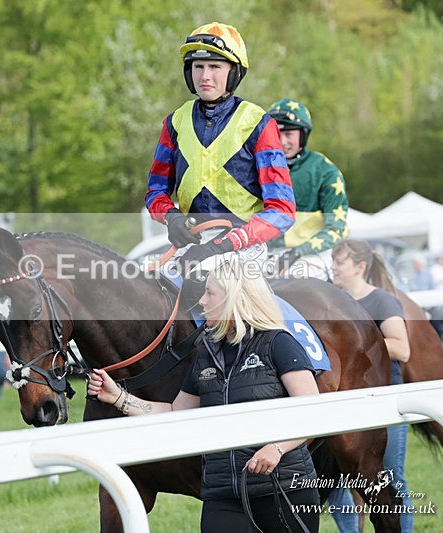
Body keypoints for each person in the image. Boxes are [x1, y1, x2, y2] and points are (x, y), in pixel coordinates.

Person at [88, 258, 320, 532]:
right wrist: (118, 397)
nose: (202, 301)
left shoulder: (278, 343)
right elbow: (176, 413)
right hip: (223, 495)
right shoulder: (206, 353)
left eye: (210, 293)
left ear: (234, 298)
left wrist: (277, 448)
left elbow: (314, 412)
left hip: (284, 488)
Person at [144, 22, 295, 284]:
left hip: (244, 245)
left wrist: (225, 244)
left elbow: (282, 210)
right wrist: (172, 218)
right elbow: (155, 192)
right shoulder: (174, 122)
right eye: (198, 67)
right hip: (192, 244)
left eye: (215, 67)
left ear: (233, 72)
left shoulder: (258, 123)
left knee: (205, 286)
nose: (205, 76)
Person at [329, 239, 413, 532]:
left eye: (339, 262)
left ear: (360, 266)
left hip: (386, 402)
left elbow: (402, 349)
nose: (333, 267)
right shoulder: (332, 302)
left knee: (391, 478)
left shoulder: (382, 301)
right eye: (333, 261)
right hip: (346, 402)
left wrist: (353, 346)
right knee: (334, 482)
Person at [266, 98, 349, 280]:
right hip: (269, 254)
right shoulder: (258, 168)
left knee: (295, 279)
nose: (282, 141)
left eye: (289, 134)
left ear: (303, 135)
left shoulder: (325, 171)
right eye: (276, 134)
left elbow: (337, 230)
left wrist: (298, 252)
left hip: (313, 254)